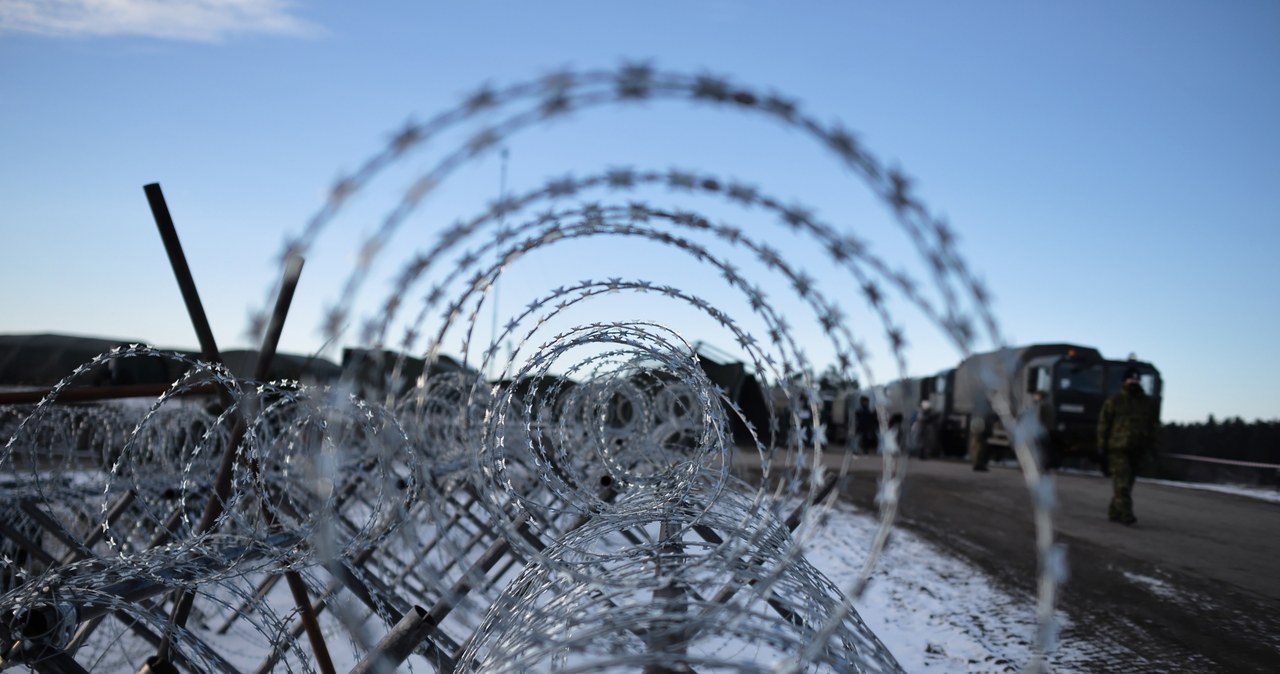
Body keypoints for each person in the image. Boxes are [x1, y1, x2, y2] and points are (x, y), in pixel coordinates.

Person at [1097, 367, 1160, 525]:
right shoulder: (1114, 401)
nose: (1134, 382)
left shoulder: (1146, 403)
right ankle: (1126, 514)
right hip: (1117, 449)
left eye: (1136, 379)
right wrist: (1101, 447)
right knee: (1122, 483)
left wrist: (1153, 447)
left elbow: (1153, 426)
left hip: (1137, 449)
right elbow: (1103, 425)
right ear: (1124, 381)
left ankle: (1114, 512)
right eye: (1131, 379)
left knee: (1127, 483)